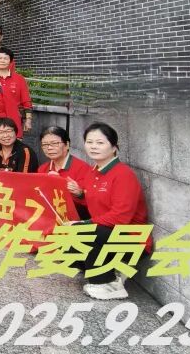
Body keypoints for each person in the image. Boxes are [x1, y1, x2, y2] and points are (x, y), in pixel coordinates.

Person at [69, 123, 151, 300]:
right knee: (66, 242)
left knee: (85, 232)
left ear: (114, 147)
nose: (93, 146)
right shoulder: (93, 171)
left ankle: (107, 284)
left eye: (100, 143)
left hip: (132, 239)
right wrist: (79, 194)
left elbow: (120, 217)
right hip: (107, 232)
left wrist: (83, 224)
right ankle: (113, 270)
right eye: (89, 142)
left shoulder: (123, 174)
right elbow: (95, 201)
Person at [38, 126, 92, 220]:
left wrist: (79, 193)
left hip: (77, 219)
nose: (49, 148)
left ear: (67, 145)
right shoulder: (42, 169)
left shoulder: (83, 168)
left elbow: (90, 202)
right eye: (45, 144)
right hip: (50, 217)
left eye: (55, 143)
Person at [0, 47, 33, 136]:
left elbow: (26, 100)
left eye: (5, 58)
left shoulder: (19, 79)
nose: (2, 61)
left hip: (14, 120)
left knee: (14, 143)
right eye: (0, 58)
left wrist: (28, 120)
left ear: (10, 61)